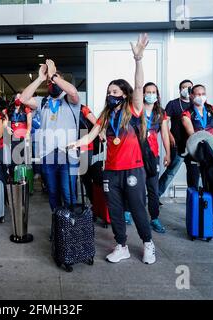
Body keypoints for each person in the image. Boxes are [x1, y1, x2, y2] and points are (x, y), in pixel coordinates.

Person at [69, 34, 156, 265]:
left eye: (115, 92)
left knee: (137, 209)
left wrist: (138, 59)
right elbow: (92, 133)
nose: (111, 95)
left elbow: (138, 85)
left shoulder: (134, 109)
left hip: (133, 169)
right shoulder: (106, 116)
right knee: (115, 211)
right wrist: (77, 143)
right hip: (112, 171)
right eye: (109, 92)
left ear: (124, 95)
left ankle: (148, 244)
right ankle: (122, 246)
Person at [20, 60, 81, 212]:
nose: (52, 83)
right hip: (47, 155)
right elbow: (23, 99)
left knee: (69, 195)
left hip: (68, 155)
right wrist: (41, 78)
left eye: (55, 80)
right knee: (53, 195)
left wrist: (53, 76)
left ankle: (71, 231)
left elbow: (73, 92)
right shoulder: (43, 102)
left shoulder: (71, 101)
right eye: (50, 81)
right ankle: (59, 228)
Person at [182, 84, 213, 230]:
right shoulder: (186, 114)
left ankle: (211, 215)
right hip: (195, 153)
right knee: (193, 184)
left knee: (212, 184)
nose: (201, 97)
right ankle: (193, 214)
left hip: (211, 153)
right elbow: (192, 133)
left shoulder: (212, 109)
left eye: (203, 93)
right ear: (192, 96)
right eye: (198, 94)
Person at [142, 82, 171, 233]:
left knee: (153, 188)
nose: (151, 94)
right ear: (143, 94)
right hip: (137, 155)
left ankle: (154, 218)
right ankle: (128, 212)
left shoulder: (161, 112)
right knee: (135, 186)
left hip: (153, 155)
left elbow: (165, 134)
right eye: (148, 91)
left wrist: (168, 153)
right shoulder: (136, 110)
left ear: (157, 95)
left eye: (153, 92)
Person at [158, 80, 193, 197]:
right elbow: (165, 122)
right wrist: (170, 135)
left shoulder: (195, 105)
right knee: (171, 172)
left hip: (192, 146)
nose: (186, 89)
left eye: (189, 87)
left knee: (193, 174)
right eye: (184, 87)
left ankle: (193, 200)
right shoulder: (173, 104)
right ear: (180, 90)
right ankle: (155, 196)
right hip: (178, 144)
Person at [4, 93, 32, 179]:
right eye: (17, 97)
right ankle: (14, 179)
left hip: (23, 137)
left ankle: (24, 180)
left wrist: (28, 133)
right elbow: (5, 121)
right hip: (12, 138)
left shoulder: (26, 109)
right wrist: (7, 127)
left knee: (23, 159)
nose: (18, 99)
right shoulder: (9, 110)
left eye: (20, 97)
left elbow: (29, 123)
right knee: (13, 160)